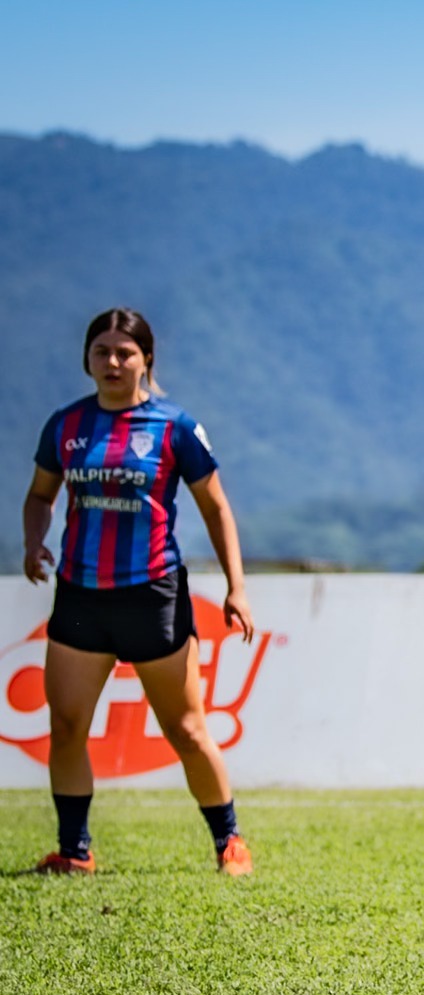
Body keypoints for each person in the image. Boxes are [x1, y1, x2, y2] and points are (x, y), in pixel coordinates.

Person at [22, 307, 255, 876]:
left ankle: (229, 843)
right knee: (69, 725)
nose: (112, 361)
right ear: (87, 360)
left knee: (186, 729)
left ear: (145, 359)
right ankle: (74, 851)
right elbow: (39, 496)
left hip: (153, 595)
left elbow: (216, 507)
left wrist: (236, 588)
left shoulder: (174, 427)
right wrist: (34, 542)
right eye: (101, 351)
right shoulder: (66, 426)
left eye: (124, 352)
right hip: (80, 595)